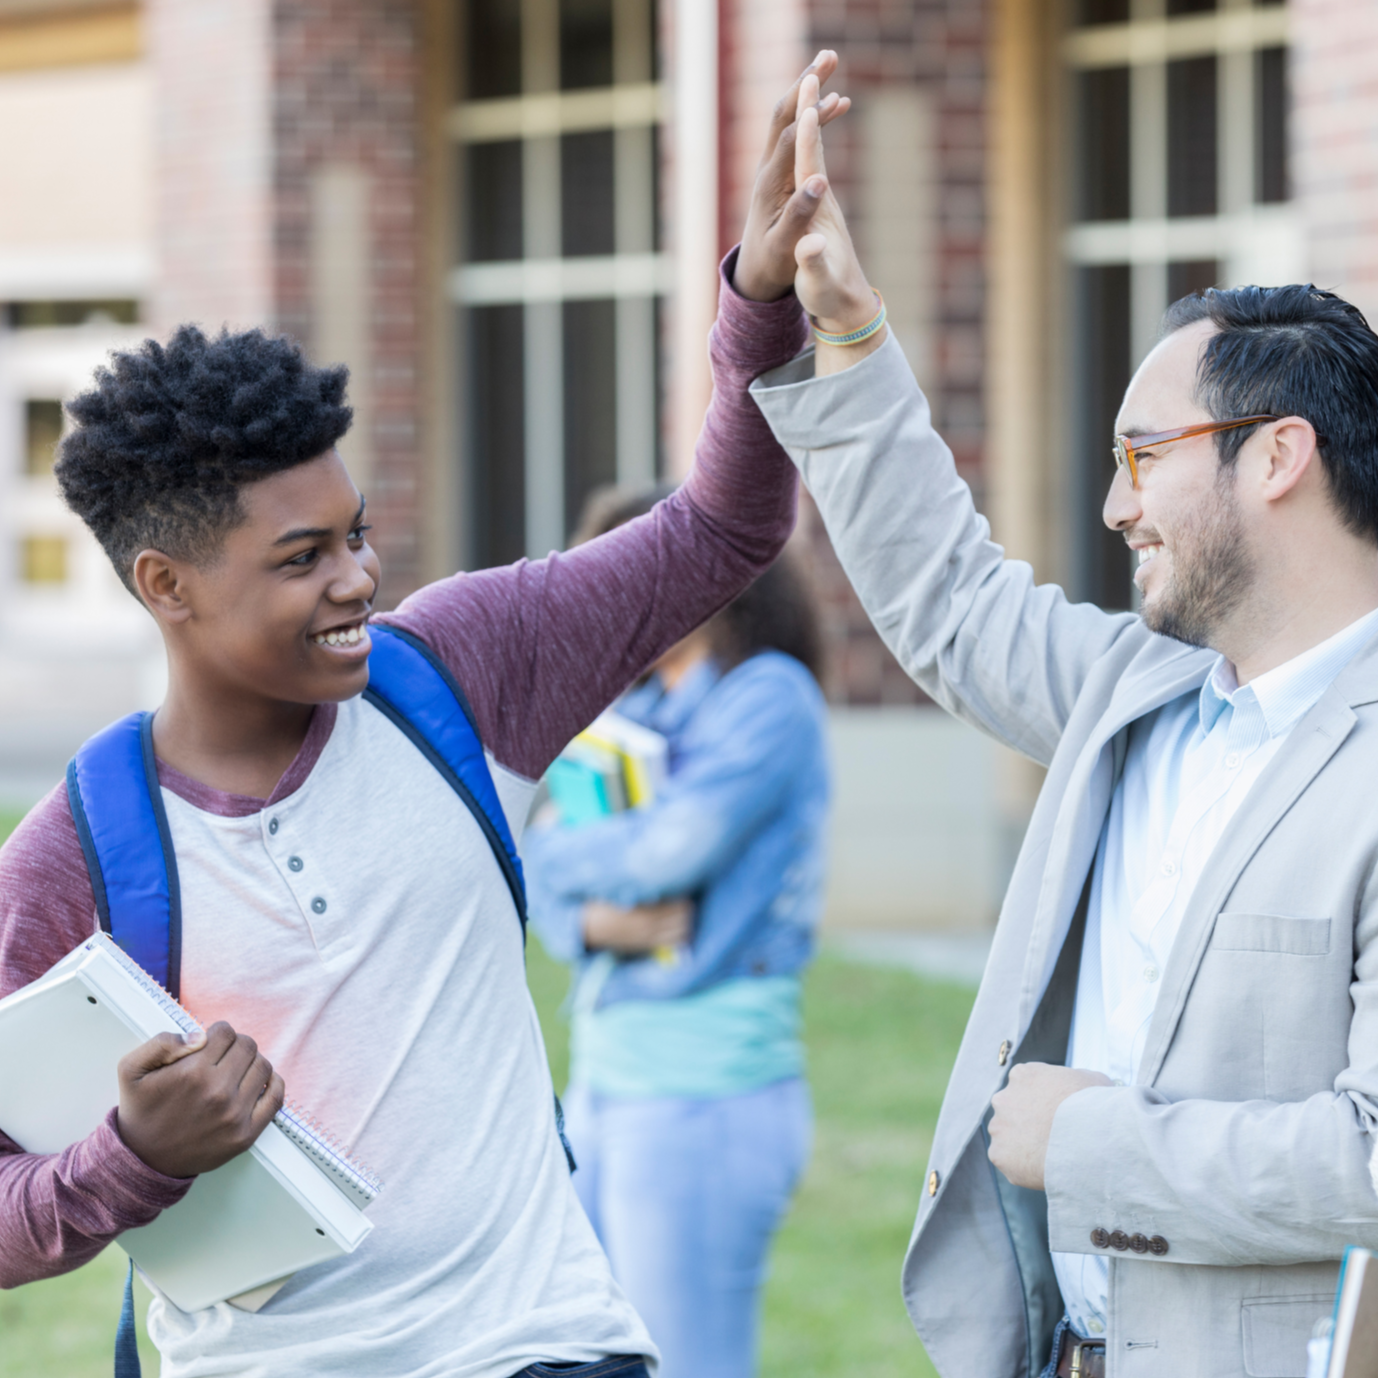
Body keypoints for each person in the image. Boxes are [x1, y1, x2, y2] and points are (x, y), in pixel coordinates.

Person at [0, 54, 848, 1377]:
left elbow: (722, 529)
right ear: (164, 584)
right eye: (299, 559)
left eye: (354, 534)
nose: (355, 578)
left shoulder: (458, 671)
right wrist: (130, 1157)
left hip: (542, 1343)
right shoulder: (84, 849)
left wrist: (753, 303)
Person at [727, 70, 1378, 1378]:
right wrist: (837, 326)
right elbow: (944, 599)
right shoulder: (1130, 694)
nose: (1113, 506)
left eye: (1143, 456)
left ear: (1275, 455)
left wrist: (1080, 1142)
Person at [524, 485, 830, 1379]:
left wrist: (565, 854)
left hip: (705, 1095)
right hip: (606, 1085)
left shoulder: (767, 698)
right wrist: (590, 918)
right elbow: (533, 864)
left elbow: (671, 849)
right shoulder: (636, 711)